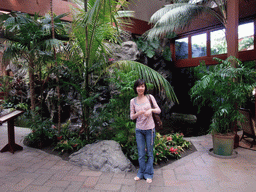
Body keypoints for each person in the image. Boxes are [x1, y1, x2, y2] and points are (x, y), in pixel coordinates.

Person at [130, 79, 161, 184]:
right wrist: (139, 113)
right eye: (138, 86)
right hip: (139, 130)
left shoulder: (149, 97)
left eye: (142, 86)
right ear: (135, 88)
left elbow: (158, 110)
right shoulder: (133, 101)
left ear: (145, 87)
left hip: (150, 130)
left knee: (150, 153)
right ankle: (140, 173)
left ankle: (149, 174)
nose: (140, 88)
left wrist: (150, 110)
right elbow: (131, 116)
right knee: (141, 153)